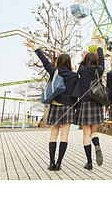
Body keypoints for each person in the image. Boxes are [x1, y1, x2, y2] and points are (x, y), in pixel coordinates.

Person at [23, 40, 77, 171]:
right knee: (64, 135)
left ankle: (51, 162)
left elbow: (44, 60)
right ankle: (59, 163)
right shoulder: (74, 75)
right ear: (69, 63)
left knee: (53, 134)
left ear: (59, 62)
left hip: (55, 105)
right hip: (68, 107)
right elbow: (76, 92)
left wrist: (34, 47)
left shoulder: (54, 71)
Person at [72, 36, 105, 170]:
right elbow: (102, 61)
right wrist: (99, 46)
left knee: (86, 134)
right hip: (96, 103)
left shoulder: (82, 70)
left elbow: (79, 69)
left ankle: (89, 162)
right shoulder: (99, 70)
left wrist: (82, 58)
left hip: (84, 103)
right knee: (93, 132)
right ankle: (97, 145)